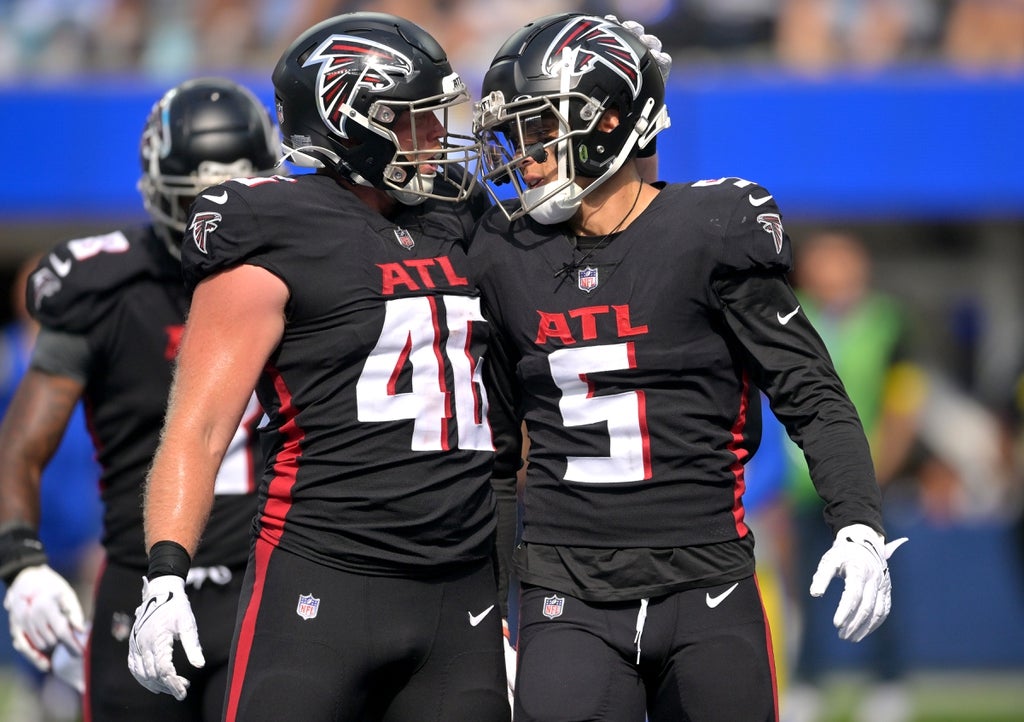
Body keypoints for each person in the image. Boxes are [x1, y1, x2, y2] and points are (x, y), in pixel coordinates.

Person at [468, 12, 908, 721]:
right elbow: (494, 455)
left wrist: (857, 522)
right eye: (517, 133)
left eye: (542, 128)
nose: (526, 154)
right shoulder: (505, 254)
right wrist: (489, 612)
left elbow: (813, 396)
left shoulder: (711, 231)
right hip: (566, 591)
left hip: (706, 583)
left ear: (608, 124)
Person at [125, 13, 513, 722]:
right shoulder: (274, 228)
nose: (436, 137)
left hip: (462, 589)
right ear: (350, 121)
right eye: (413, 119)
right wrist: (166, 573)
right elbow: (201, 424)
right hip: (325, 579)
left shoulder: (455, 216)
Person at [0, 76, 278, 721]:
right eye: (198, 202)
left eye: (234, 201)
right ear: (157, 192)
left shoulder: (306, 271)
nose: (215, 224)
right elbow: (22, 442)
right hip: (141, 583)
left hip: (272, 583)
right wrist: (21, 561)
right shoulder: (104, 285)